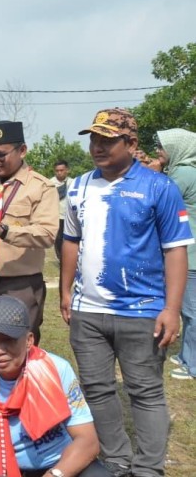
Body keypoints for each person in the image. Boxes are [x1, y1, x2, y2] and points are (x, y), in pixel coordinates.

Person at [61, 109, 193, 477]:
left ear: (131, 144)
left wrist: (171, 308)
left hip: (142, 310)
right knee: (97, 388)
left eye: (108, 140)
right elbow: (71, 240)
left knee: (145, 392)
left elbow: (175, 249)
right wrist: (66, 291)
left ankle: (149, 467)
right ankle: (116, 459)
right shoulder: (80, 185)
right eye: (94, 139)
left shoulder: (159, 187)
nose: (98, 147)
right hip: (88, 312)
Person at [0, 295, 108, 477]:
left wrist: (56, 474)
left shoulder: (57, 370)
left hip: (55, 464)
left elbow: (88, 441)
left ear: (29, 340)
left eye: (9, 340)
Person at [0, 121, 58, 362]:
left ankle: (16, 400)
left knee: (14, 359)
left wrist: (4, 231)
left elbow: (47, 234)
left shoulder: (41, 187)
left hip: (19, 286)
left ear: (22, 150)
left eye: (0, 154)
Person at [155, 129, 196, 380]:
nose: (159, 151)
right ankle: (185, 355)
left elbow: (160, 199)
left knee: (191, 313)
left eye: (163, 147)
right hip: (190, 252)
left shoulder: (181, 173)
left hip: (189, 254)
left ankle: (192, 365)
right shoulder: (188, 169)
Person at [51, 160, 70, 268]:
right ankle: (60, 259)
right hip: (56, 216)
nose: (59, 173)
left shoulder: (73, 182)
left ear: (67, 170)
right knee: (58, 239)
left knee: (70, 239)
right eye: (57, 170)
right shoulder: (50, 183)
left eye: (62, 170)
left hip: (70, 216)